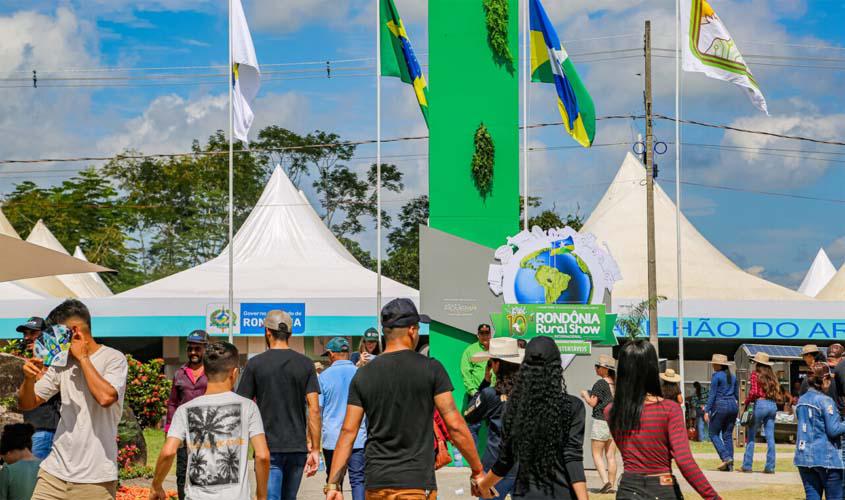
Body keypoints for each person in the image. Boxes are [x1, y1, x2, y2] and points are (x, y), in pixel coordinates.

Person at [324, 298, 485, 500]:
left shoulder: (363, 375)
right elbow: (454, 425)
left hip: (377, 485)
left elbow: (348, 431)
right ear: (412, 330)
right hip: (416, 484)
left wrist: (334, 484)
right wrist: (477, 471)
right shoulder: (431, 369)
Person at [18, 299, 128, 500]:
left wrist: (83, 359)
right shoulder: (62, 362)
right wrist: (27, 380)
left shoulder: (113, 358)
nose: (51, 339)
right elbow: (27, 403)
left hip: (95, 478)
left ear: (74, 331)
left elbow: (105, 397)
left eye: (55, 333)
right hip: (53, 473)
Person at [150, 342, 270, 500]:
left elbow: (168, 452)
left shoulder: (184, 410)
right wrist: (261, 495)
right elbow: (262, 456)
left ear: (205, 372)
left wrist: (156, 485)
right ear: (234, 373)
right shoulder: (248, 407)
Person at [477, 336, 587, 500]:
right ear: (557, 367)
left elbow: (506, 460)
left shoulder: (514, 407)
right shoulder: (574, 406)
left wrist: (484, 485)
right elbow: (572, 457)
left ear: (525, 367)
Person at [607, 339, 719, 500]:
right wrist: (712, 497)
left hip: (627, 488)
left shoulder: (611, 411)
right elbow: (684, 461)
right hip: (662, 489)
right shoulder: (669, 410)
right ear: (652, 369)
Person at [237, 310, 321, 500]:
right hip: (297, 448)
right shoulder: (306, 364)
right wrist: (315, 449)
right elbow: (314, 409)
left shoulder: (255, 364)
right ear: (290, 334)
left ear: (267, 331)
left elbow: (242, 406)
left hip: (267, 447)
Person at [464, 337, 524, 500]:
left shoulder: (490, 394)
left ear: (496, 365)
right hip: (524, 468)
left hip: (494, 469)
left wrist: (485, 381)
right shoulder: (530, 393)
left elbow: (469, 415)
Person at [319, 337, 366, 500]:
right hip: (358, 439)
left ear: (332, 354)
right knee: (358, 480)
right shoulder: (361, 373)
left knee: (334, 482)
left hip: (332, 439)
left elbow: (318, 410)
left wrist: (312, 441)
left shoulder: (323, 377)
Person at [164, 329, 209, 500]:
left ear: (205, 348)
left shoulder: (213, 373)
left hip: (208, 434)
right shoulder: (179, 374)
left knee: (206, 472)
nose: (193, 352)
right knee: (182, 473)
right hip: (184, 434)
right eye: (190, 348)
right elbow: (173, 403)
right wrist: (169, 430)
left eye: (197, 349)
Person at [795, 362, 845, 500]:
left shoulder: (801, 400)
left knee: (812, 496)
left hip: (803, 457)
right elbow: (834, 430)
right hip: (826, 457)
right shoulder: (826, 401)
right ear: (824, 380)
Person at [15, 317, 60, 460]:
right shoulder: (28, 362)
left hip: (45, 429)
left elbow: (45, 385)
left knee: (34, 475)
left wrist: (38, 354)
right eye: (25, 334)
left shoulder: (55, 362)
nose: (27, 337)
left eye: (33, 333)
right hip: (31, 429)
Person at [580, 354, 617, 494]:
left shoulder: (600, 383)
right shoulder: (615, 383)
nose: (596, 368)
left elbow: (592, 403)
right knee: (611, 455)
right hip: (614, 423)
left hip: (601, 420)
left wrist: (585, 394)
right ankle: (612, 485)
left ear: (605, 369)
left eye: (598, 366)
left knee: (596, 454)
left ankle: (605, 481)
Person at [740, 352, 780, 474]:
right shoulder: (773, 376)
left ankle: (747, 465)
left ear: (757, 364)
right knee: (770, 437)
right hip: (772, 405)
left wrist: (746, 403)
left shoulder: (755, 375)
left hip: (760, 404)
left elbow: (753, 393)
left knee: (751, 435)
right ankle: (770, 467)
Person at [704, 353, 738, 472]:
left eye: (714, 363)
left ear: (719, 365)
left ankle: (725, 457)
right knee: (727, 435)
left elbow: (712, 395)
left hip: (720, 405)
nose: (713, 365)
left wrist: (706, 410)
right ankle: (730, 465)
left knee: (713, 433)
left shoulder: (716, 376)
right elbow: (737, 395)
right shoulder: (733, 376)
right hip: (733, 406)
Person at [461, 324, 494, 444]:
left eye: (487, 333)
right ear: (477, 334)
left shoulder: (496, 349)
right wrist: (474, 392)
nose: (485, 335)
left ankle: (497, 460)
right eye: (482, 333)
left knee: (496, 426)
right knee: (473, 426)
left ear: (490, 334)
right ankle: (474, 460)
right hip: (477, 394)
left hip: (494, 395)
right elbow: (465, 372)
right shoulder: (470, 350)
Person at [0, 423, 41, 500]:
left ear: (9, 452)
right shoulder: (46, 466)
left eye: (3, 459)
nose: (5, 462)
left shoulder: (8, 470)